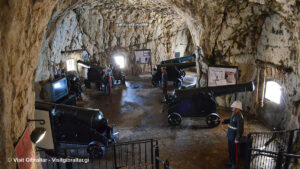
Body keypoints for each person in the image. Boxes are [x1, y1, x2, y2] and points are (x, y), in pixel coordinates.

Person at [223, 100, 244, 169]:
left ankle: (234, 164)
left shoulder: (240, 117)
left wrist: (237, 138)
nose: (232, 109)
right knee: (230, 150)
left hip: (234, 137)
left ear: (238, 109)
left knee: (234, 151)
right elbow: (231, 120)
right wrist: (224, 121)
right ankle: (231, 161)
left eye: (233, 107)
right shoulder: (234, 113)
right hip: (230, 135)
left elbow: (240, 129)